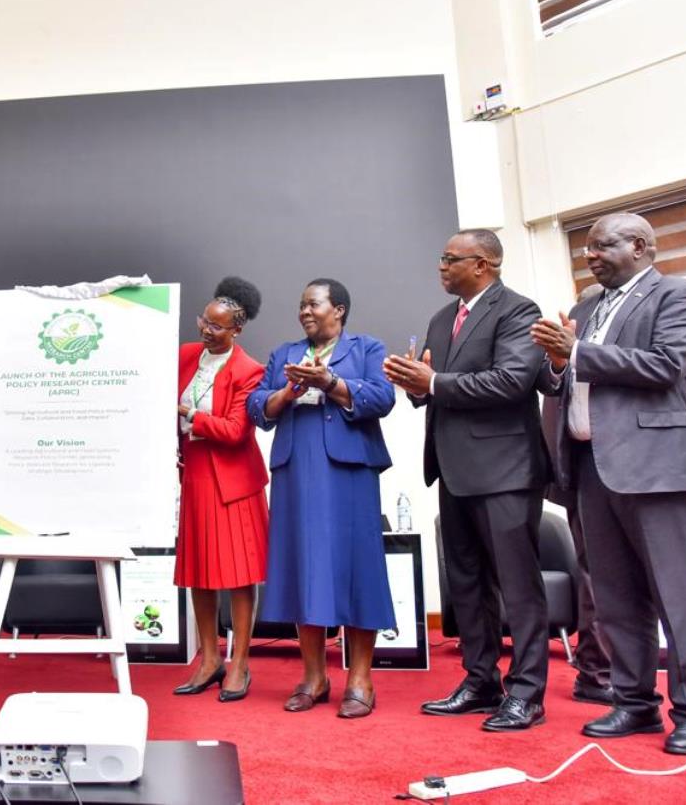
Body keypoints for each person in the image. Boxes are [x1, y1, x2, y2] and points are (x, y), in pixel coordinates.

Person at [531, 212, 686, 755]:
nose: (588, 255)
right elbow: (567, 378)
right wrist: (554, 360)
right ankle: (635, 704)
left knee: (675, 596)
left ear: (639, 246)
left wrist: (578, 354)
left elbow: (667, 365)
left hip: (657, 468)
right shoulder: (588, 308)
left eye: (600, 246)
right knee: (614, 598)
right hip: (591, 467)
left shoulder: (680, 295)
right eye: (585, 248)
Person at [384, 228, 549, 732]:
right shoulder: (441, 319)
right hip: (453, 471)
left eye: (448, 258)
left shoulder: (518, 310)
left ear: (483, 264)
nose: (440, 266)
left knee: (517, 587)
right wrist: (416, 382)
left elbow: (512, 380)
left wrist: (433, 382)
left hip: (505, 471)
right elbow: (437, 389)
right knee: (468, 585)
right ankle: (480, 681)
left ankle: (526, 693)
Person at [247, 278, 395, 719]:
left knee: (358, 567)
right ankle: (313, 677)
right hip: (296, 470)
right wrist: (286, 392)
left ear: (340, 310)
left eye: (313, 304)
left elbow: (383, 398)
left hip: (349, 470)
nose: (305, 312)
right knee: (301, 567)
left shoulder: (367, 348)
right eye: (301, 305)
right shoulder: (285, 354)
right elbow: (257, 408)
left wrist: (329, 381)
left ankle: (360, 679)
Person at [171, 277, 269, 703]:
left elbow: (232, 431)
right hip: (194, 476)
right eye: (203, 321)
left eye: (216, 327)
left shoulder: (250, 370)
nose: (205, 331)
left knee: (238, 576)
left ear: (237, 330)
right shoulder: (186, 356)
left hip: (233, 483)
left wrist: (190, 415)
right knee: (199, 573)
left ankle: (240, 663)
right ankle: (209, 659)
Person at [540, 282, 613, 708]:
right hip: (583, 469)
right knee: (595, 574)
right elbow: (555, 400)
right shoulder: (568, 334)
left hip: (636, 469)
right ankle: (596, 671)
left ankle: (627, 670)